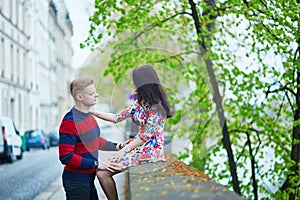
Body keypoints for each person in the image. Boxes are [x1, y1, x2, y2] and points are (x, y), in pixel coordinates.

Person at [90, 64, 172, 200]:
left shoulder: (157, 107)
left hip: (150, 152)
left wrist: (124, 150)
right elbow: (117, 117)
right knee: (102, 171)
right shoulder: (140, 104)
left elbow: (146, 136)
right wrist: (92, 112)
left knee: (103, 172)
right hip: (139, 148)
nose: (132, 82)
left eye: (134, 80)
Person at [58, 75, 122, 200]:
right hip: (76, 182)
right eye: (91, 93)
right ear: (80, 97)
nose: (96, 95)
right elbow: (66, 156)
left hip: (88, 180)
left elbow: (96, 141)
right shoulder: (70, 121)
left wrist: (118, 146)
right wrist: (96, 164)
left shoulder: (90, 117)